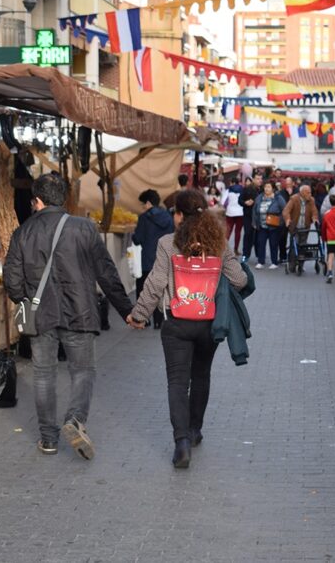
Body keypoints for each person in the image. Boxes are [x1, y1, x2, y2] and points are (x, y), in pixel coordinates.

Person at [4, 173, 133, 459]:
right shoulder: (84, 228)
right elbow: (106, 272)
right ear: (63, 199)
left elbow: (11, 281)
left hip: (41, 315)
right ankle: (75, 419)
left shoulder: (23, 232)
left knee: (43, 374)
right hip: (80, 311)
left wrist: (26, 299)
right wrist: (127, 310)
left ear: (36, 201)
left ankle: (48, 439)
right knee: (83, 370)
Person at [126, 190, 248, 468]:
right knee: (201, 375)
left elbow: (156, 283)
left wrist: (139, 314)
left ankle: (181, 443)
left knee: (178, 382)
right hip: (209, 323)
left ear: (179, 215)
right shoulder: (219, 243)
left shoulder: (167, 243)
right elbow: (239, 280)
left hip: (176, 323)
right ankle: (195, 430)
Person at [132, 189, 174, 329]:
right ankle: (158, 320)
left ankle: (143, 318)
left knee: (143, 288)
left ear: (149, 203)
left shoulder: (144, 218)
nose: (143, 207)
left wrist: (133, 236)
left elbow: (138, 239)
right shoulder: (168, 216)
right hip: (164, 259)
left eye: (143, 204)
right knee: (161, 289)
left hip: (147, 260)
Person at [282, 184, 319, 271]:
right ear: (302, 193)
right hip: (295, 227)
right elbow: (286, 211)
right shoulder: (294, 199)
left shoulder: (311, 200)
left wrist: (314, 218)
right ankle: (292, 264)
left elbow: (314, 211)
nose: (310, 194)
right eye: (308, 192)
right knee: (294, 246)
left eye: (310, 192)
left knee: (303, 246)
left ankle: (301, 265)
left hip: (305, 227)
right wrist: (287, 219)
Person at [252, 181, 286, 269]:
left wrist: (280, 221)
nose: (266, 189)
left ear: (273, 189)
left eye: (268, 187)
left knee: (273, 244)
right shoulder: (259, 197)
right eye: (265, 187)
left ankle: (274, 262)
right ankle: (261, 261)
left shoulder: (278, 198)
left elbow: (285, 210)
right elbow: (254, 210)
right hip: (262, 225)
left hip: (274, 226)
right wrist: (254, 222)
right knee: (260, 243)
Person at [240, 174, 261, 263]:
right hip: (248, 216)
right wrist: (246, 202)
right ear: (253, 179)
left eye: (260, 178)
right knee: (248, 235)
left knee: (258, 237)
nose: (259, 180)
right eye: (257, 178)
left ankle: (259, 256)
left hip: (259, 216)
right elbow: (240, 200)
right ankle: (245, 255)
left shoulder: (263, 189)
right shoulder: (247, 189)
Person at [276, 176, 297, 263]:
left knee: (294, 238)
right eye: (286, 184)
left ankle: (292, 257)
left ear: (293, 184)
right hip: (283, 219)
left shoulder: (297, 192)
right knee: (282, 238)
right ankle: (282, 256)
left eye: (289, 184)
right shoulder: (281, 193)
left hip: (294, 218)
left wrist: (291, 195)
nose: (287, 186)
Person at [224, 176, 245, 255]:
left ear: (232, 183)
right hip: (240, 212)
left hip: (230, 212)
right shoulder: (242, 189)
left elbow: (223, 201)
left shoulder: (228, 190)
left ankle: (224, 248)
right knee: (238, 232)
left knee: (228, 231)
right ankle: (236, 249)